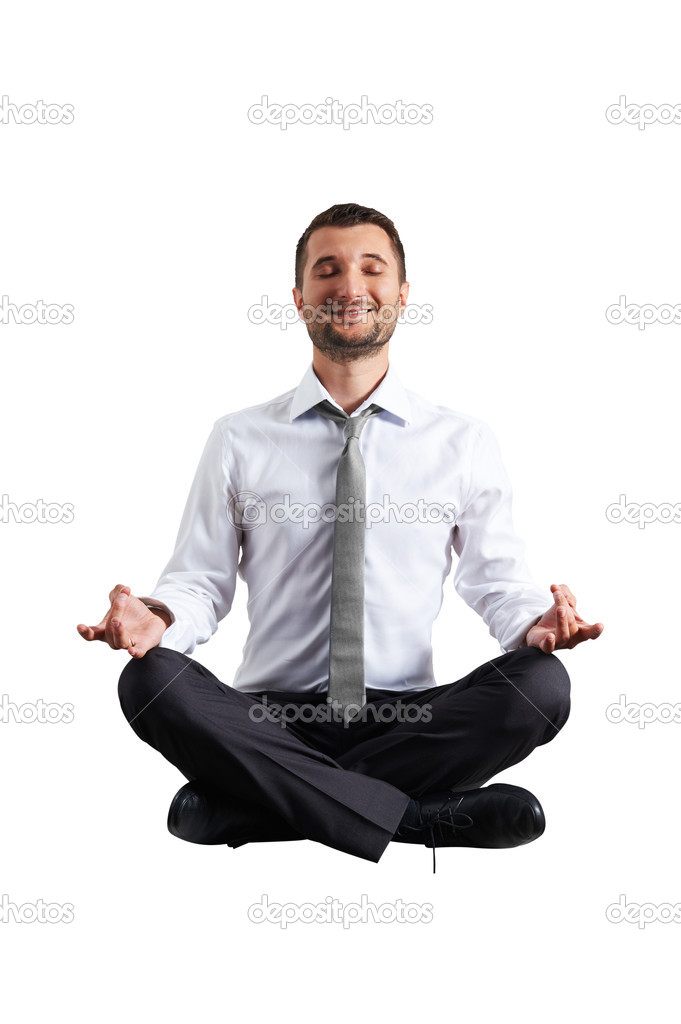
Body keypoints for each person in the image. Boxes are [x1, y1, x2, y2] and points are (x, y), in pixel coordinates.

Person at [77, 203, 603, 872]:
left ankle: (259, 806)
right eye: (327, 270)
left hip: (412, 717)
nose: (349, 286)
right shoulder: (239, 436)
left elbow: (495, 579)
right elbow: (200, 581)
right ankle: (416, 819)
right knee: (147, 683)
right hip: (267, 718)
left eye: (371, 268)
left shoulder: (462, 441)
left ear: (402, 294)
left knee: (544, 687)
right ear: (299, 299)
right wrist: (153, 617)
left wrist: (538, 624)